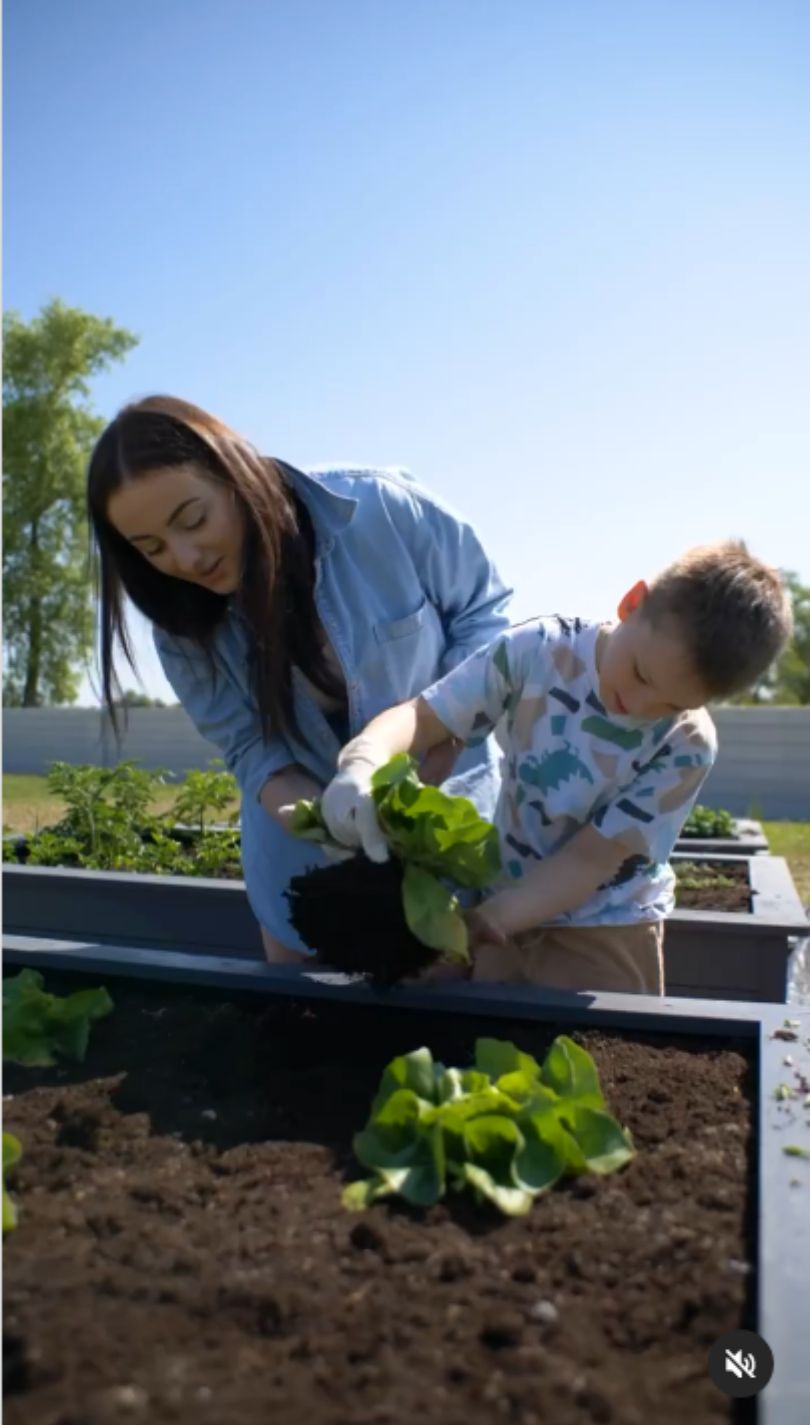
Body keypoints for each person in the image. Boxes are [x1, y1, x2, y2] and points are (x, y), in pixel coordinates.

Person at [86, 395, 512, 961]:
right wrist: (324, 823)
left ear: (235, 473)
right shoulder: (182, 629)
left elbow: (485, 614)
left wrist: (446, 733)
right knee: (316, 1043)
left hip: (455, 837)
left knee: (460, 1032)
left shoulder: (381, 509)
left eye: (193, 520)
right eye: (152, 548)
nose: (185, 558)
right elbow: (251, 749)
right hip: (307, 880)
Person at [319, 541, 793, 995]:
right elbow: (426, 715)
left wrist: (491, 920)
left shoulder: (687, 743)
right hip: (503, 894)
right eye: (641, 674)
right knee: (488, 1054)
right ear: (631, 603)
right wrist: (364, 759)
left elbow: (590, 860)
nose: (638, 705)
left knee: (606, 1061)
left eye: (671, 703)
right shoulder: (538, 650)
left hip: (608, 926)